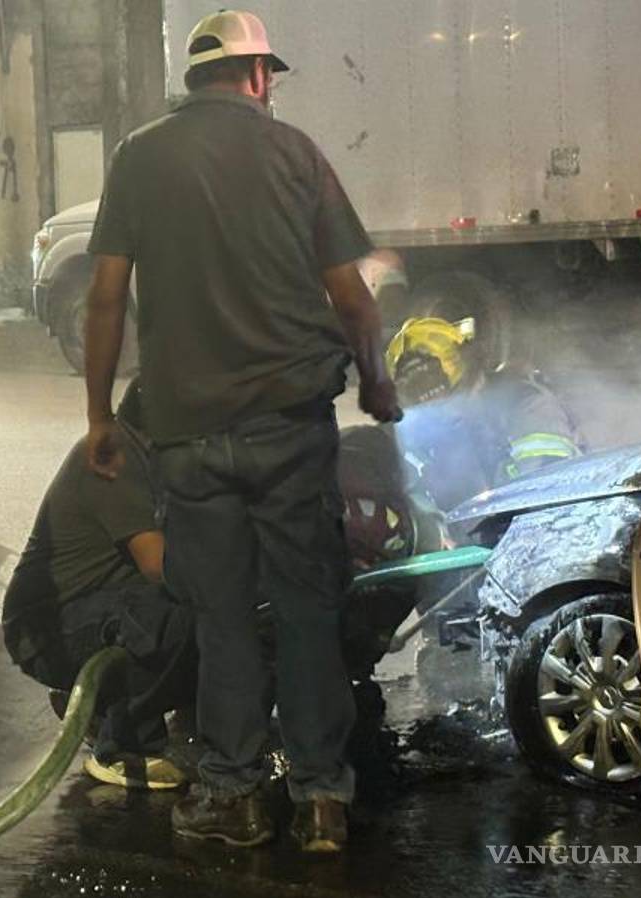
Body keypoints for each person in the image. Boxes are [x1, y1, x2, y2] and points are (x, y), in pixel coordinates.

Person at [82, 10, 402, 853]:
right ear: (259, 77)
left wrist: (97, 416)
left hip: (189, 432)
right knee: (305, 610)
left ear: (196, 79)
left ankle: (233, 794)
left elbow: (106, 294)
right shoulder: (296, 155)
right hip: (291, 426)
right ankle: (322, 799)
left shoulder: (139, 157)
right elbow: (352, 294)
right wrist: (377, 384)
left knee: (221, 614)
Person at [2, 381, 196, 789]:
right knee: (170, 617)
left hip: (98, 607)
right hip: (46, 627)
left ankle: (107, 706)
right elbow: (159, 565)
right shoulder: (115, 460)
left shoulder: (161, 461)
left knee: (206, 610)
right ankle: (124, 746)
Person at [386, 315, 586, 513]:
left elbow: (548, 486)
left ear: (472, 375)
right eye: (430, 409)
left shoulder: (524, 403)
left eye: (449, 400)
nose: (442, 415)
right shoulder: (425, 437)